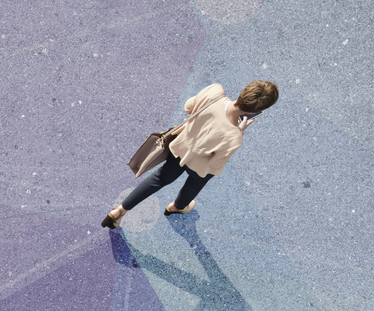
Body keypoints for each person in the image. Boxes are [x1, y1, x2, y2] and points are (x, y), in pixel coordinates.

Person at [102, 80, 277, 227]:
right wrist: (239, 131)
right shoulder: (234, 136)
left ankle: (120, 210)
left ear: (244, 91)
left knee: (160, 178)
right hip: (199, 165)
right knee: (194, 184)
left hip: (180, 147)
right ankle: (176, 207)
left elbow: (188, 107)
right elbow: (216, 165)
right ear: (254, 110)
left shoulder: (214, 92)